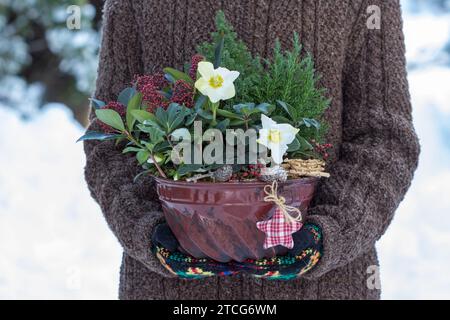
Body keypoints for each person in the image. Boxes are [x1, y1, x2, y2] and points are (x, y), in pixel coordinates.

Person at [84, 0, 420, 300]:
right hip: (167, 290)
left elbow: (384, 137)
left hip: (323, 288)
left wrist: (327, 234)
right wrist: (148, 229)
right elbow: (111, 135)